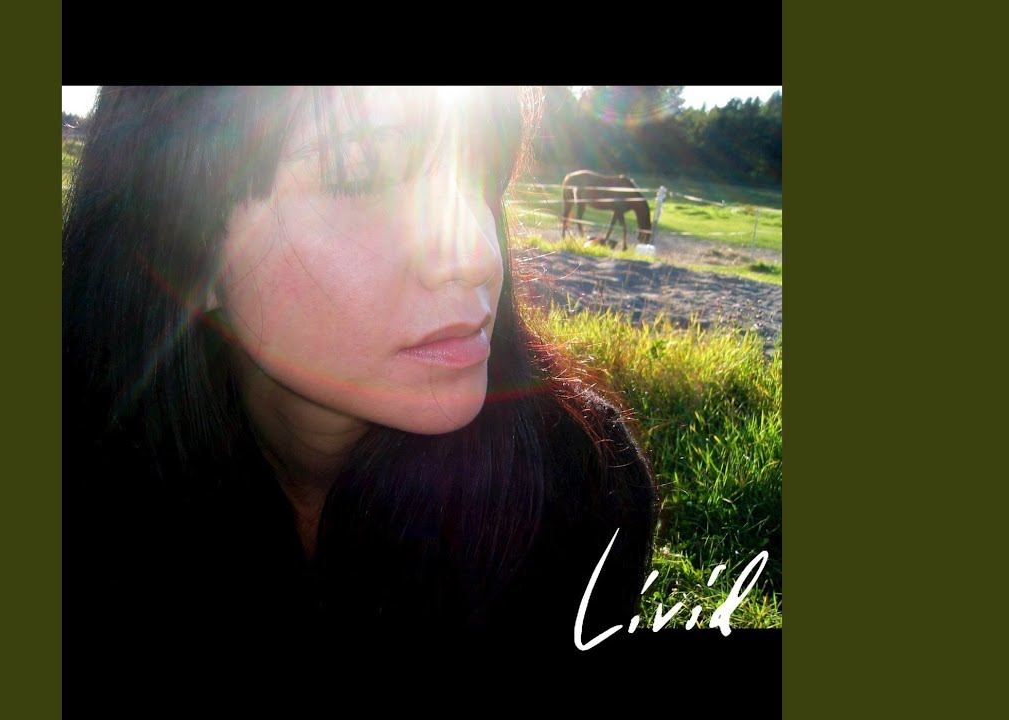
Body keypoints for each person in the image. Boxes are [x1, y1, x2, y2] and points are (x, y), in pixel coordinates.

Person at [63, 86, 660, 684]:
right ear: (183, 247)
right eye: (359, 172)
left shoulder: (584, 488)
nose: (477, 254)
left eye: (483, 175)